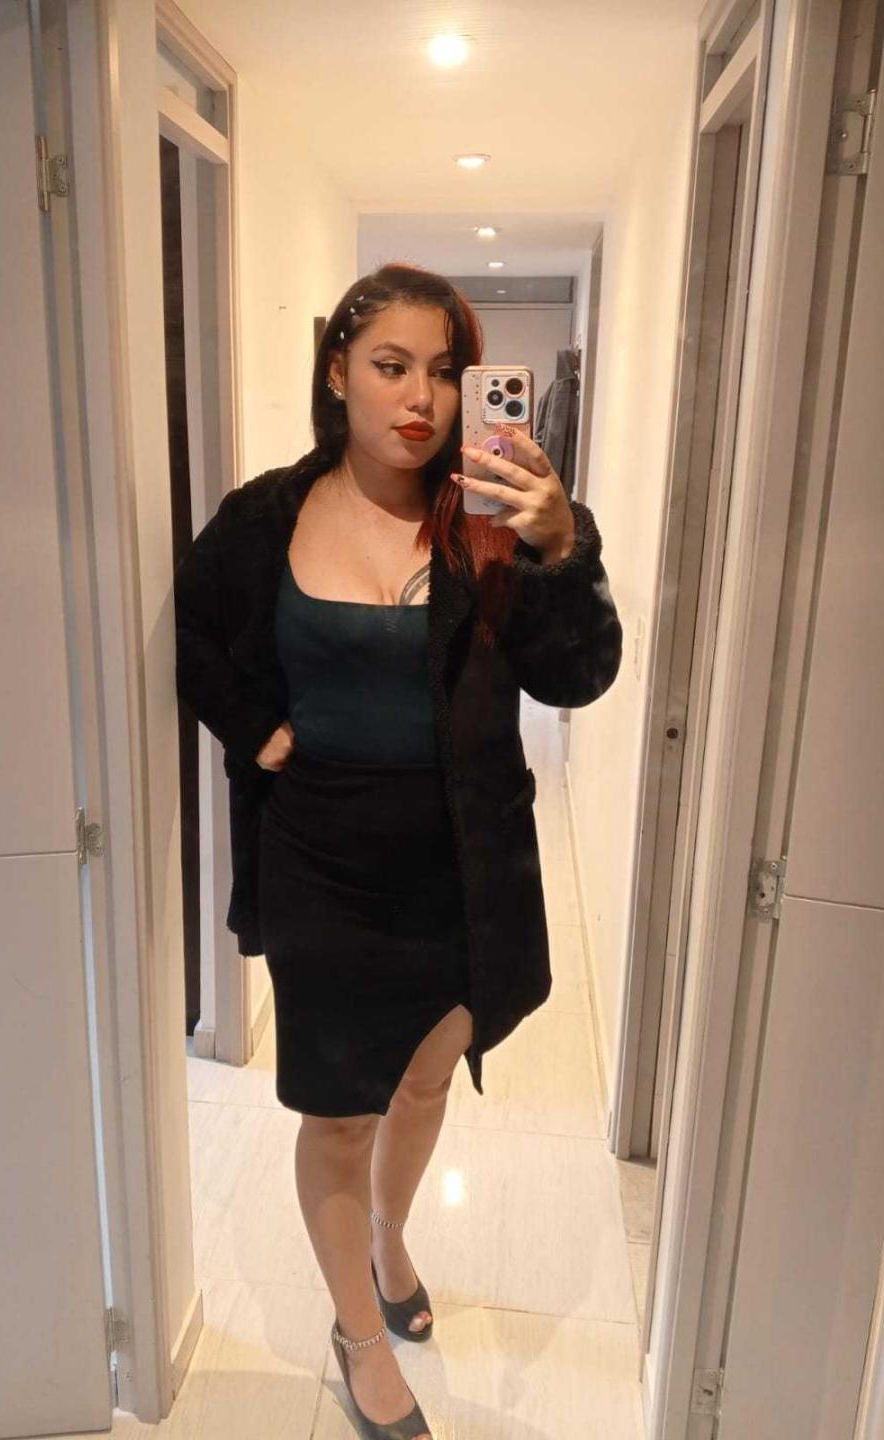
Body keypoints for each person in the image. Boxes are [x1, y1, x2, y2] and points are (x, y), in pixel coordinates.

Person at [173, 263, 622, 1439]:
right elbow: (196, 636)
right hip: (321, 868)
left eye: (444, 371)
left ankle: (388, 1236)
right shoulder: (265, 517)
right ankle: (359, 1339)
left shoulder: (491, 515)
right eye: (390, 366)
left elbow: (578, 675)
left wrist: (562, 546)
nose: (420, 397)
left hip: (463, 868)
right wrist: (256, 728)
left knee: (424, 1079)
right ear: (338, 373)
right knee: (337, 1113)